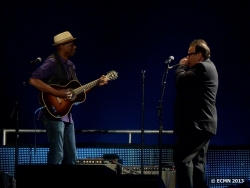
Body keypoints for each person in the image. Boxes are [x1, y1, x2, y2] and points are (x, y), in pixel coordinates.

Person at [29, 31, 109, 164]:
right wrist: (58, 93)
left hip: (66, 115)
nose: (75, 47)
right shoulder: (51, 62)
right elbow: (33, 80)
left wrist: (96, 84)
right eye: (71, 44)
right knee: (57, 154)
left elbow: (76, 93)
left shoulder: (71, 66)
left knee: (72, 157)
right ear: (61, 46)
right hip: (52, 113)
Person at [173, 39, 218, 188]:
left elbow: (181, 80)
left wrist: (181, 66)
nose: (186, 58)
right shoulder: (207, 67)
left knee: (182, 158)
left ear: (199, 55)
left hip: (197, 126)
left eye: (189, 54)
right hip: (203, 124)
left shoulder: (202, 67)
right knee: (198, 164)